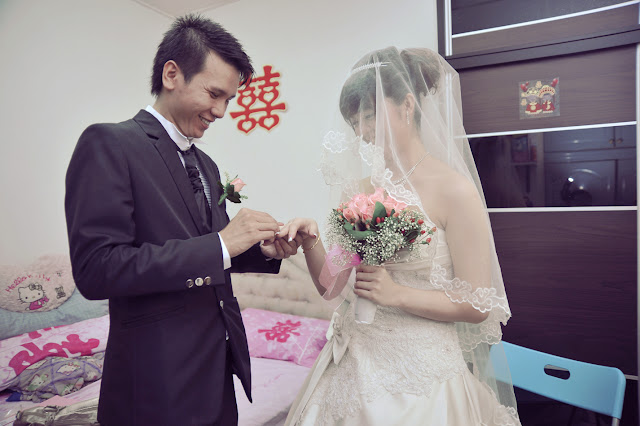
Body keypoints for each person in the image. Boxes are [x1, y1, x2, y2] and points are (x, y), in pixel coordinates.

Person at [64, 15, 299, 426]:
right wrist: (222, 243)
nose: (221, 111)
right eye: (214, 94)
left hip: (216, 369)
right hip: (154, 380)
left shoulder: (206, 164)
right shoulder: (110, 144)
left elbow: (210, 250)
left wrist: (262, 250)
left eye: (229, 99)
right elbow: (97, 270)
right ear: (171, 74)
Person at [281, 47, 522, 425]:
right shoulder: (359, 190)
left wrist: (396, 294)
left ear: (407, 105)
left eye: (369, 115)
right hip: (356, 360)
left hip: (422, 373)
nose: (361, 131)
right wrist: (311, 241)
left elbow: (478, 306)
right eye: (354, 120)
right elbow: (332, 285)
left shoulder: (454, 190)